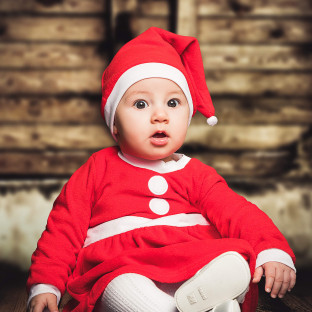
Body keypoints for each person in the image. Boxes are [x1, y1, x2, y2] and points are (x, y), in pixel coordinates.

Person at [27, 27, 296, 312]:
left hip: (192, 264)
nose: (160, 115)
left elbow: (239, 213)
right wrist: (46, 285)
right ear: (114, 124)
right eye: (141, 104)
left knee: (233, 262)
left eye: (173, 102)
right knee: (120, 287)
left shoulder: (197, 174)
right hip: (123, 267)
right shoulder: (98, 169)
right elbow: (63, 229)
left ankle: (207, 301)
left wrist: (272, 250)